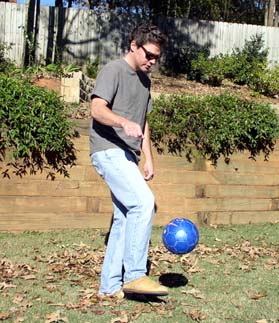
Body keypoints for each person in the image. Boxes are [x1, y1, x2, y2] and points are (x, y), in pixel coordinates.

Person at [89, 23, 168, 299]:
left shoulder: (145, 82)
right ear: (134, 45)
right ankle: (134, 274)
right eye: (149, 55)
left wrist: (148, 158)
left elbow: (143, 123)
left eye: (157, 57)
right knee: (144, 203)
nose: (152, 61)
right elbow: (97, 109)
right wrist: (123, 122)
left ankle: (109, 288)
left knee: (124, 218)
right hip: (107, 149)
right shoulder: (113, 70)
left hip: (128, 156)